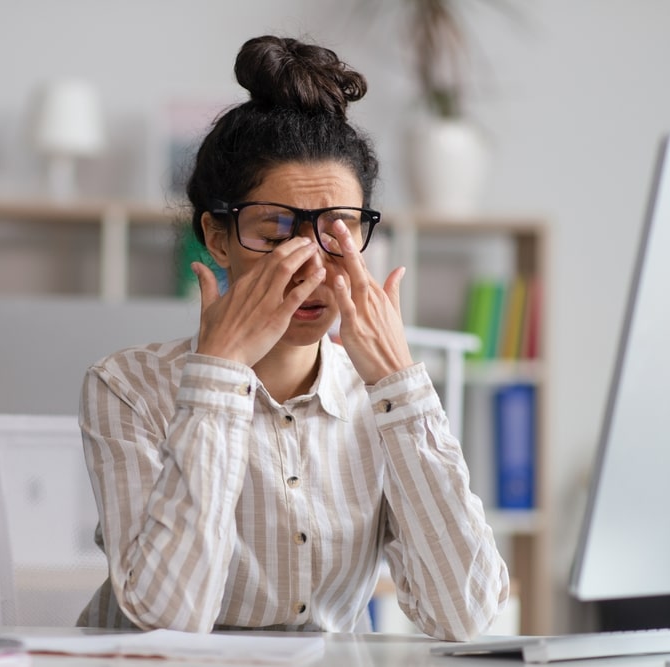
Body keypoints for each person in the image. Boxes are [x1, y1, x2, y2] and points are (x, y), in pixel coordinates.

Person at [78, 34, 509, 640]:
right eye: (276, 231)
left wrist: (400, 386)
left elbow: (462, 618)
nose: (310, 267)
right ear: (218, 236)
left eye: (338, 232)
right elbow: (165, 623)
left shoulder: (380, 401)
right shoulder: (127, 386)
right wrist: (218, 378)